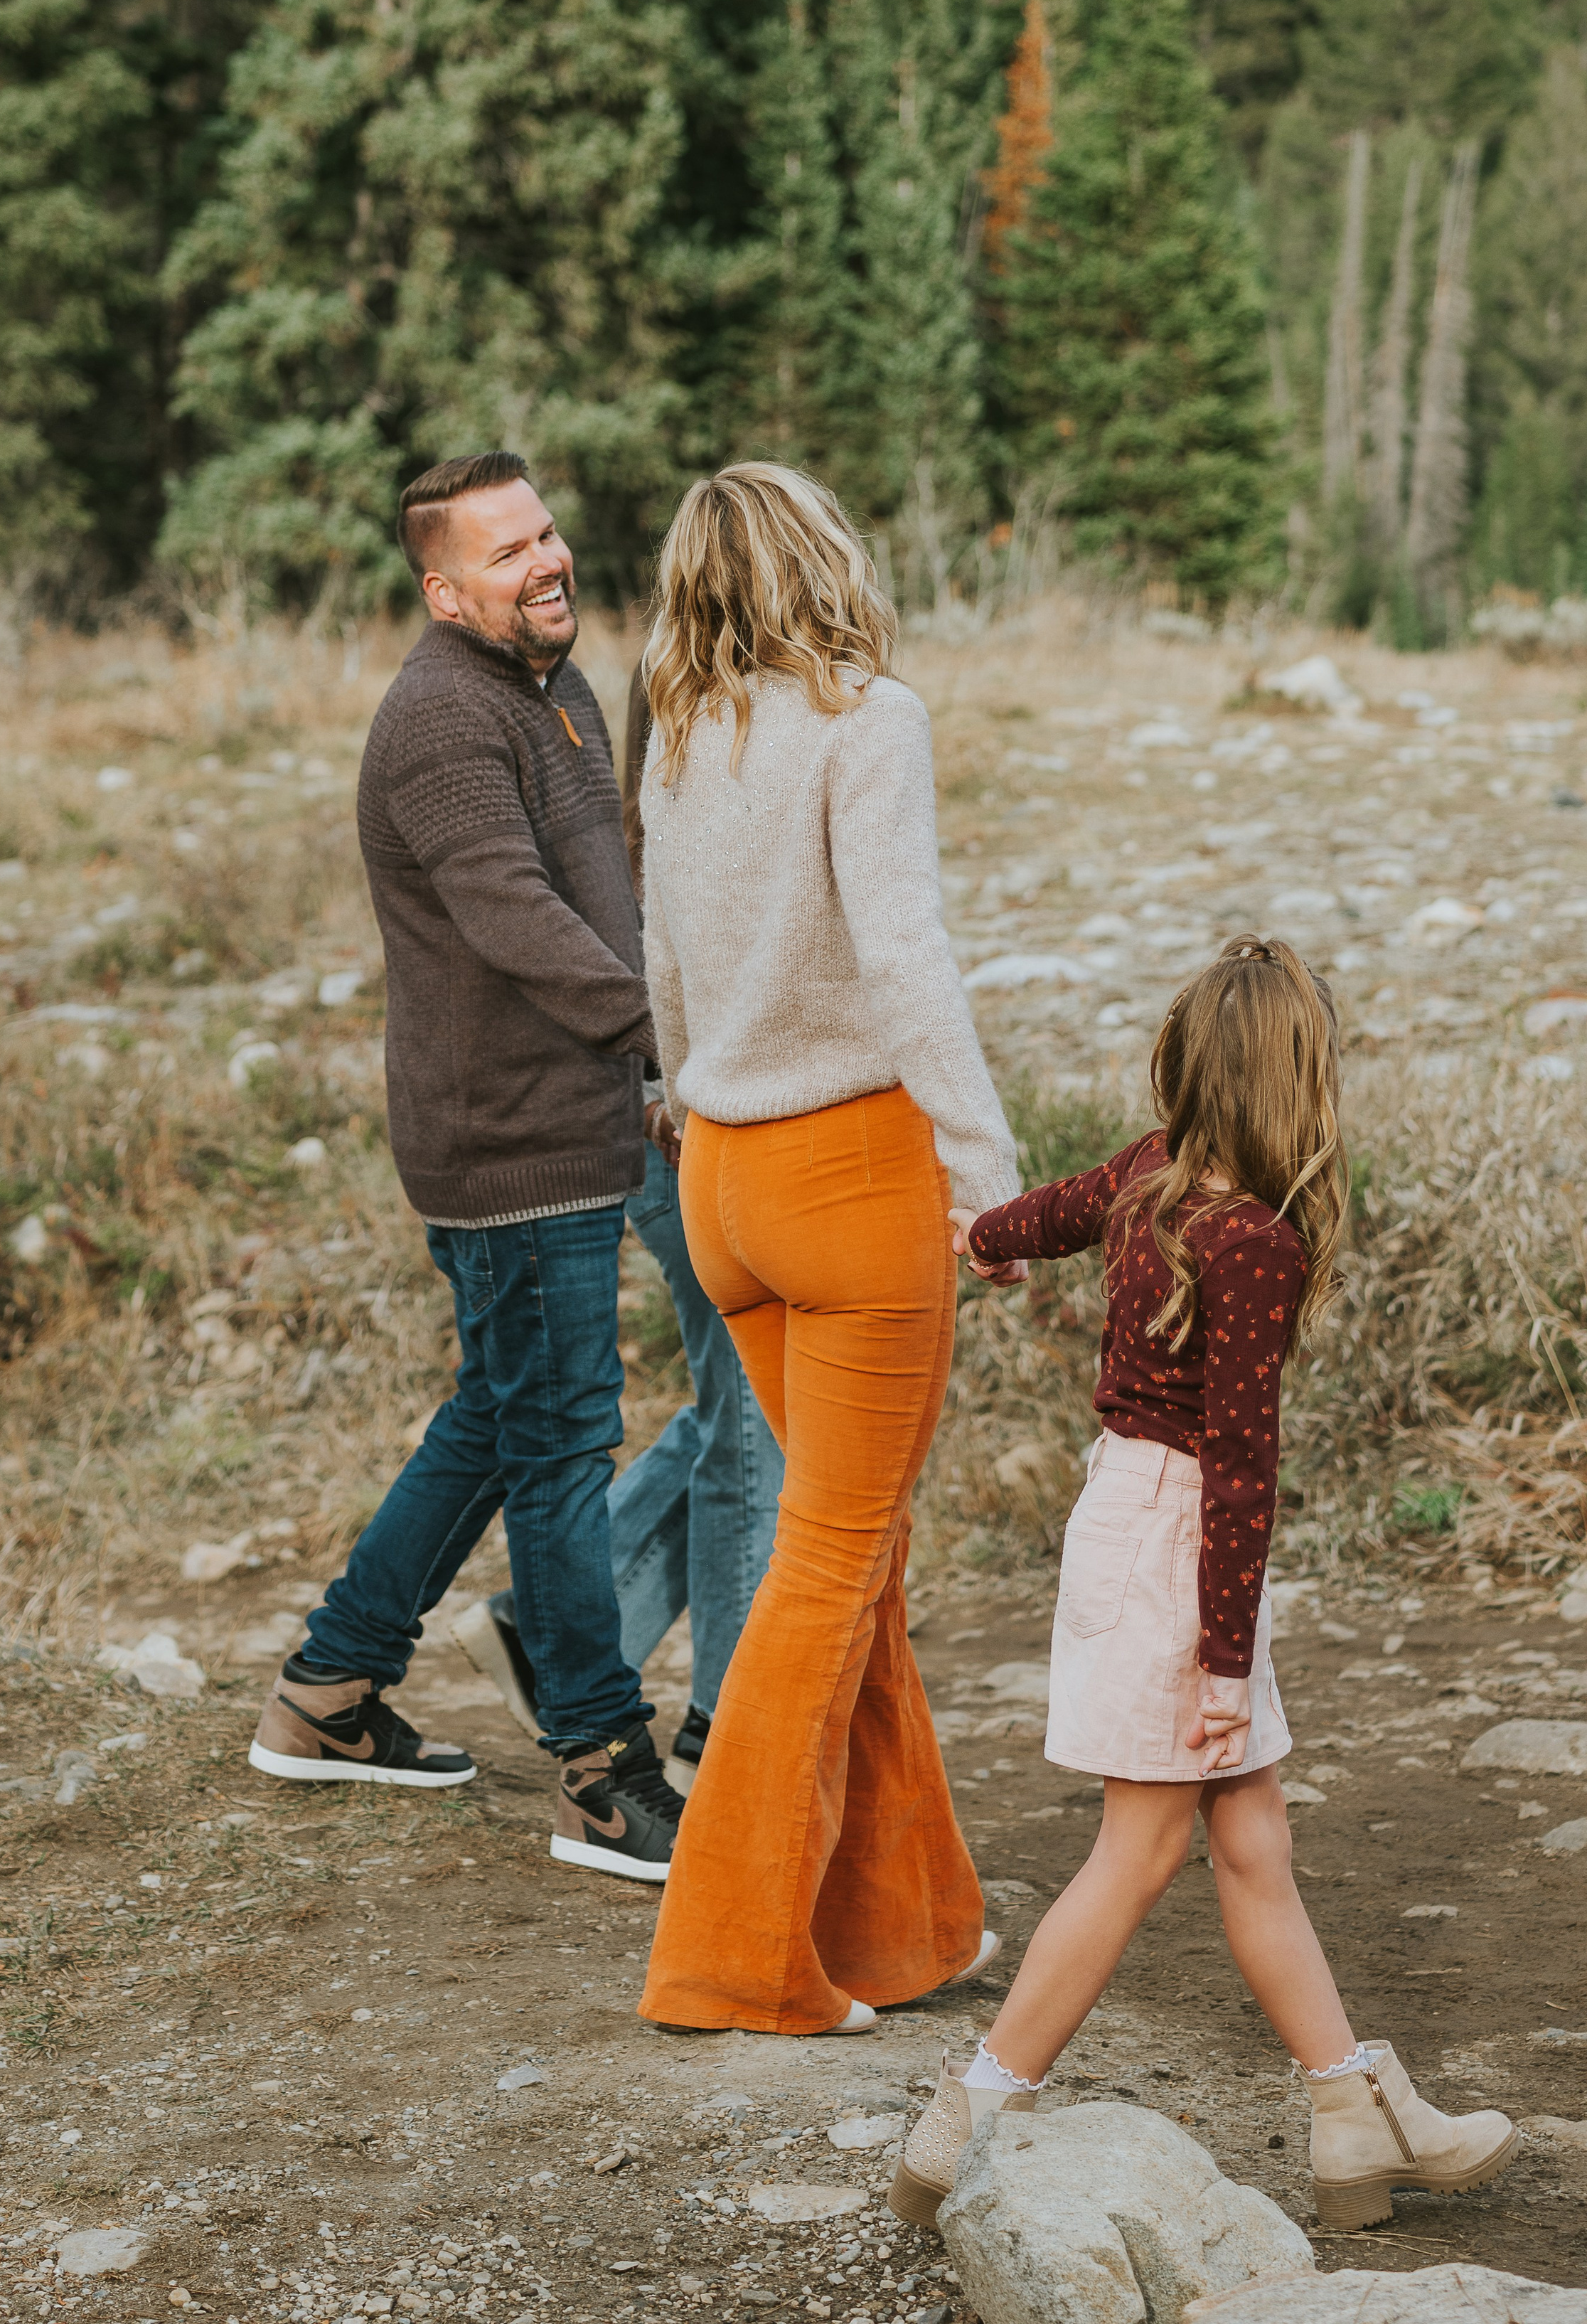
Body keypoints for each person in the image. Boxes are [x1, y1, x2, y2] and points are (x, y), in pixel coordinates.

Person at [889, 936, 1519, 2231]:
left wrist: (987, 1236)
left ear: (1191, 1068)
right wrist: (1226, 1662)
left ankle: (1350, 2110)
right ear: (1299, 1085)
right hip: (1183, 1545)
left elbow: (1058, 1204)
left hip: (1134, 1518)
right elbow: (1241, 1468)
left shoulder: (1150, 1176)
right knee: (1141, 1847)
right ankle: (971, 2113)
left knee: (1251, 1837)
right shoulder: (1253, 1241)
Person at [247, 449, 688, 1884]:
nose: (546, 561)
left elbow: (606, 881)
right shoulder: (441, 719)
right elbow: (511, 918)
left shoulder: (551, 684)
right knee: (558, 1439)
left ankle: (328, 1690)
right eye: (508, 553)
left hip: (562, 1116)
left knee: (502, 1421)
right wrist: (663, 1039)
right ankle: (601, 1774)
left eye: (548, 531)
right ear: (443, 590)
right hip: (511, 1141)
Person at [634, 462, 1020, 2037]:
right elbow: (905, 951)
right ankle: (730, 1955)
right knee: (832, 1562)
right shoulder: (869, 722)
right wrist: (983, 1167)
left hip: (716, 1176)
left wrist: (679, 1097)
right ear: (824, 560)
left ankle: (904, 1923)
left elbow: (660, 959)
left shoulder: (682, 737)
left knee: (858, 1557)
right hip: (852, 1173)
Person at [452, 669, 788, 1778]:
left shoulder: (649, 817)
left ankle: (548, 1636)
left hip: (682, 1136)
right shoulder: (667, 837)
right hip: (682, 1140)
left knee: (738, 1406)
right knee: (752, 1417)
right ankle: (718, 1732)